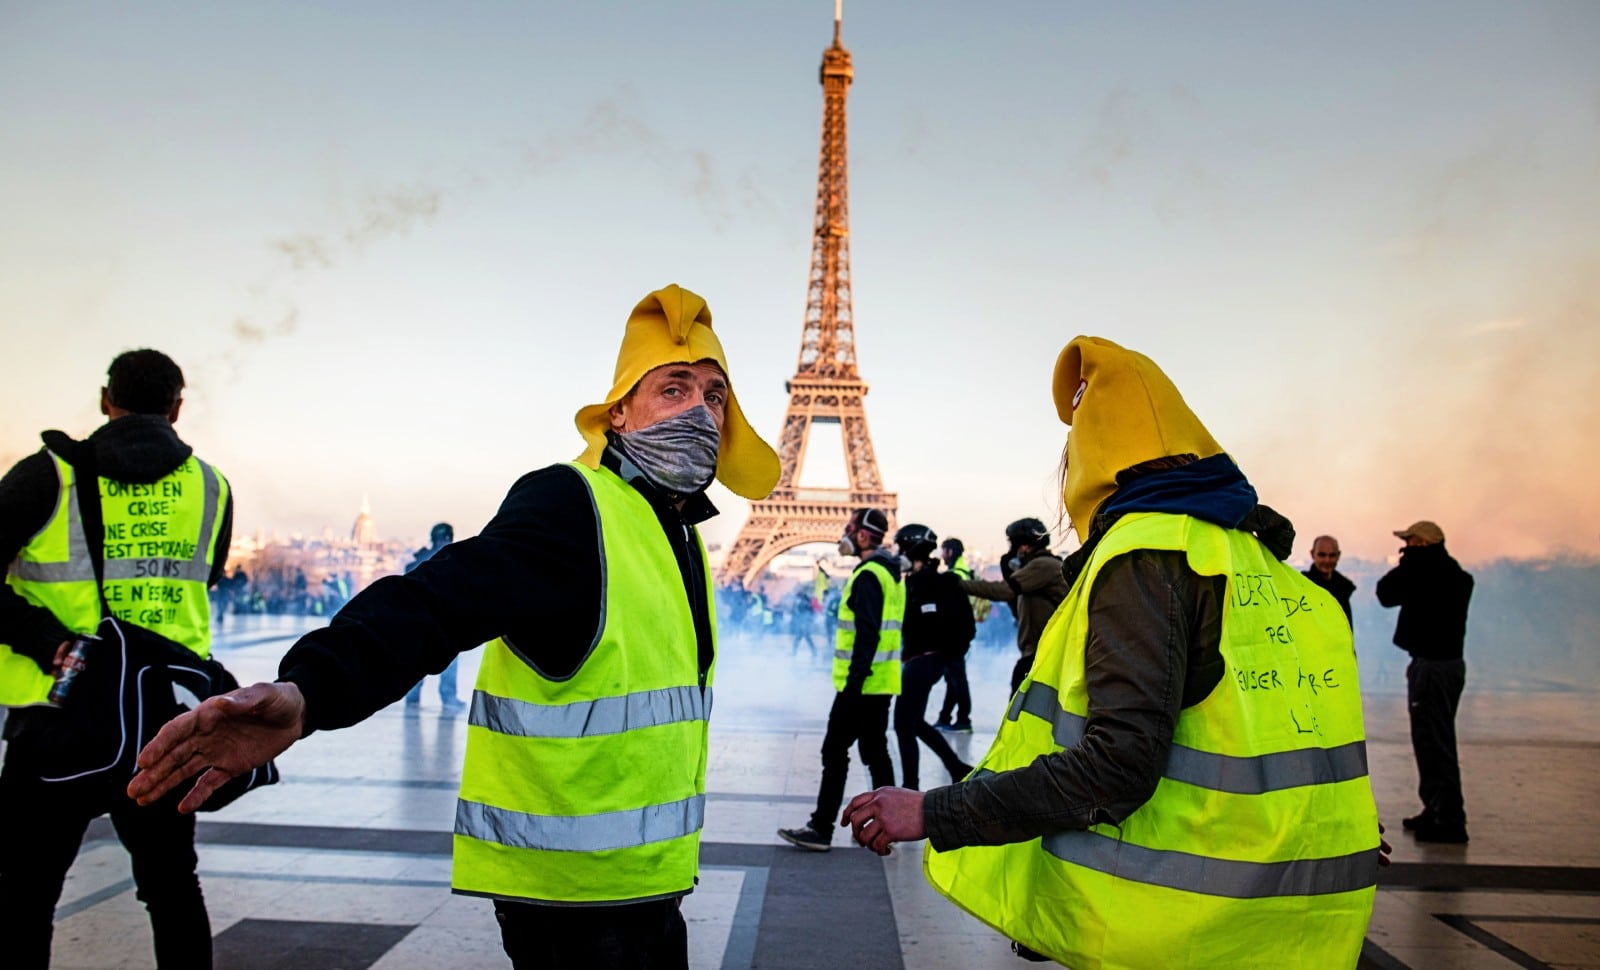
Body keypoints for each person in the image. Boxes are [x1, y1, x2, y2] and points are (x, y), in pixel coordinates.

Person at [127, 285, 781, 970]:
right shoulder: (572, 502)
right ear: (618, 412)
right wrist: (309, 692)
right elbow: (438, 600)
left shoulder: (669, 531)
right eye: (674, 389)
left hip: (641, 882)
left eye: (714, 396)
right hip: (573, 898)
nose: (701, 412)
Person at [841, 336, 1380, 967]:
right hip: (1287, 917)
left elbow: (1118, 765)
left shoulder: (1145, 556)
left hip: (1174, 925)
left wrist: (936, 811)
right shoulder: (1255, 559)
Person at [0, 349, 234, 969]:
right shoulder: (211, 486)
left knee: (25, 895)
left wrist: (46, 639)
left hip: (57, 712)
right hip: (164, 717)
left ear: (106, 398)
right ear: (177, 407)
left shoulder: (48, 475)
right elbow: (204, 579)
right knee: (173, 889)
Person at [777, 507, 903, 852]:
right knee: (876, 753)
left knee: (834, 751)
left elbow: (867, 635)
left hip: (861, 684)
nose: (843, 535)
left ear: (863, 535)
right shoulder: (890, 575)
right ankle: (887, 827)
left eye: (848, 528)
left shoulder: (867, 576)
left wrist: (852, 685)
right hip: (883, 682)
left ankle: (821, 828)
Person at [1377, 520, 1474, 844]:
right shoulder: (1454, 574)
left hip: (1432, 669)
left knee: (1433, 742)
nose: (1404, 547)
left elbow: (1385, 592)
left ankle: (1448, 817)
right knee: (1434, 739)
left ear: (1421, 544)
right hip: (1444, 665)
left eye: (1409, 543)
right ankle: (1436, 808)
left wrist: (1410, 561)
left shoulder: (1424, 571)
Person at [891, 524, 975, 790]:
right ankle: (956, 767)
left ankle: (909, 788)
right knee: (913, 722)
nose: (898, 554)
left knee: (903, 725)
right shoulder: (931, 580)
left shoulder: (925, 582)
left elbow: (926, 624)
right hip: (929, 661)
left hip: (923, 661)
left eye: (902, 548)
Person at [960, 517, 1070, 695]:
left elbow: (1005, 591)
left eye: (1014, 545)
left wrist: (960, 585)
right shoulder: (1039, 567)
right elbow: (1015, 605)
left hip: (1044, 654)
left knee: (1022, 709)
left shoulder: (1042, 566)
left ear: (1025, 546)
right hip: (1040, 653)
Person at [403, 522, 462, 713]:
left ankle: (446, 698)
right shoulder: (444, 561)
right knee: (420, 663)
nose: (445, 542)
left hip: (441, 623)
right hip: (428, 622)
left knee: (445, 665)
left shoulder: (447, 560)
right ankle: (416, 697)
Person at [934, 537, 983, 732]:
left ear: (950, 552)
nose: (942, 555)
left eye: (943, 551)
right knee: (953, 677)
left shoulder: (956, 574)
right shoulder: (963, 571)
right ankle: (946, 716)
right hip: (961, 631)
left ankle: (963, 718)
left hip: (956, 633)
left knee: (957, 677)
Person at [1304, 534, 1356, 628]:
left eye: (1332, 555)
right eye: (1322, 555)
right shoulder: (1302, 585)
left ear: (1338, 556)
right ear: (1312, 554)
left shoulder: (1343, 588)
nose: (1327, 560)